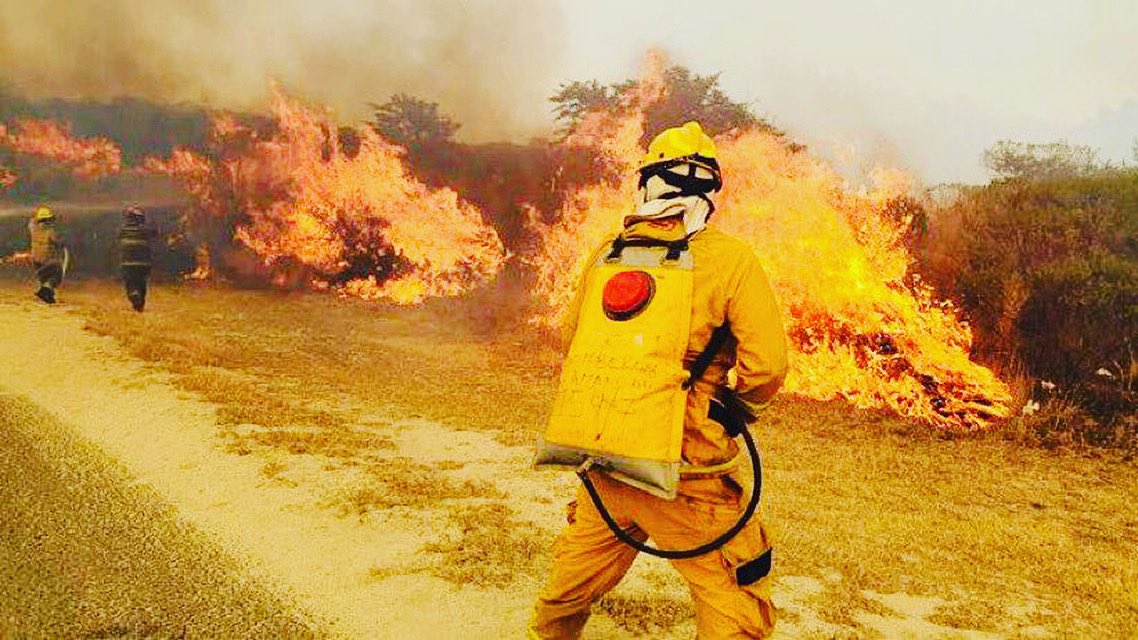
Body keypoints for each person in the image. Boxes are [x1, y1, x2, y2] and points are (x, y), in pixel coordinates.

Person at [529, 122, 788, 639]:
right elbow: (768, 365)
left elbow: (570, 336)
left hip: (607, 455)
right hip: (686, 471)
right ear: (710, 194)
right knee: (732, 592)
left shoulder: (608, 252)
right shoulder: (732, 260)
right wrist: (734, 406)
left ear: (647, 183)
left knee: (570, 583)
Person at [118, 205, 154, 311]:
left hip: (127, 262)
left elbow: (118, 239)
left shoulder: (123, 230)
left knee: (130, 281)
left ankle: (134, 294)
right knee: (142, 282)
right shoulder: (145, 230)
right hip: (144, 262)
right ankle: (140, 302)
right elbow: (155, 234)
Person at [28, 206, 66, 304]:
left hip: (36, 262)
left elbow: (32, 220)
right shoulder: (49, 232)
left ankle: (47, 294)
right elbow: (57, 241)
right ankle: (46, 289)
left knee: (45, 278)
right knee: (58, 270)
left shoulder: (33, 228)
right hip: (45, 262)